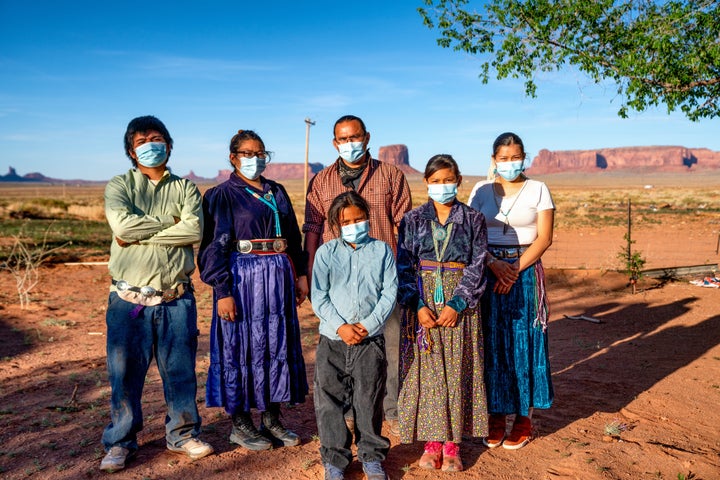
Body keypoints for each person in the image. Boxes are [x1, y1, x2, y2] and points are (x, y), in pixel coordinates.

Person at [100, 115, 214, 473]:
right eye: (141, 141)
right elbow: (121, 226)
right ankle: (120, 441)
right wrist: (170, 225)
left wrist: (139, 233)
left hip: (175, 299)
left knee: (180, 372)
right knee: (124, 374)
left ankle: (182, 434)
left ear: (168, 144)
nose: (150, 144)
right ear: (132, 152)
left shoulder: (186, 189)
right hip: (128, 301)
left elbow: (194, 230)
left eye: (157, 137)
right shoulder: (119, 186)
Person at [198, 130, 308, 452]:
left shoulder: (277, 191)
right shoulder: (221, 195)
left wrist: (300, 273)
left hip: (278, 278)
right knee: (240, 346)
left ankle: (272, 417)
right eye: (247, 153)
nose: (255, 158)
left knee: (276, 343)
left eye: (260, 153)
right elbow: (212, 247)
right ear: (233, 158)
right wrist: (222, 290)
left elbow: (293, 237)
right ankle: (241, 424)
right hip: (241, 279)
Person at [303, 114, 412, 433]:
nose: (350, 144)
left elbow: (404, 227)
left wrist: (404, 275)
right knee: (340, 346)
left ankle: (389, 406)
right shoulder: (321, 181)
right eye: (343, 139)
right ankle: (348, 407)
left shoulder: (391, 175)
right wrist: (306, 273)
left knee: (389, 347)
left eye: (355, 137)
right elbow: (312, 227)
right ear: (335, 143)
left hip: (381, 279)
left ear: (366, 137)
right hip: (335, 281)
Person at [396, 154, 488, 472]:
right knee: (429, 372)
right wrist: (418, 305)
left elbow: (478, 265)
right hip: (423, 303)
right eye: (435, 181)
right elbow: (404, 266)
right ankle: (432, 441)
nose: (442, 186)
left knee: (458, 366)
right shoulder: (412, 220)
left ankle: (453, 445)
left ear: (458, 181)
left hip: (460, 304)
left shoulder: (473, 219)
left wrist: (457, 303)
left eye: (448, 179)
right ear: (426, 184)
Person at [467, 132, 555, 450]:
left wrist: (513, 269)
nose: (510, 163)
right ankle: (494, 414)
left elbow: (544, 238)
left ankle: (523, 417)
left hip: (526, 270)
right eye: (503, 158)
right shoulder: (481, 190)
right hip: (487, 270)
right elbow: (470, 231)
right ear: (494, 160)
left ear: (525, 157)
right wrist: (493, 263)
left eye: (516, 157)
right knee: (491, 341)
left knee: (524, 340)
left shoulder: (539, 190)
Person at [312, 191, 397, 480]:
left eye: (359, 218)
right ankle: (335, 460)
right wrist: (341, 326)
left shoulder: (383, 251)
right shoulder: (326, 253)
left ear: (368, 218)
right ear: (336, 224)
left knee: (369, 399)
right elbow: (319, 296)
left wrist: (368, 324)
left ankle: (371, 456)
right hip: (332, 340)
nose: (354, 224)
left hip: (369, 340)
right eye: (346, 220)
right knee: (329, 402)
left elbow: (389, 293)